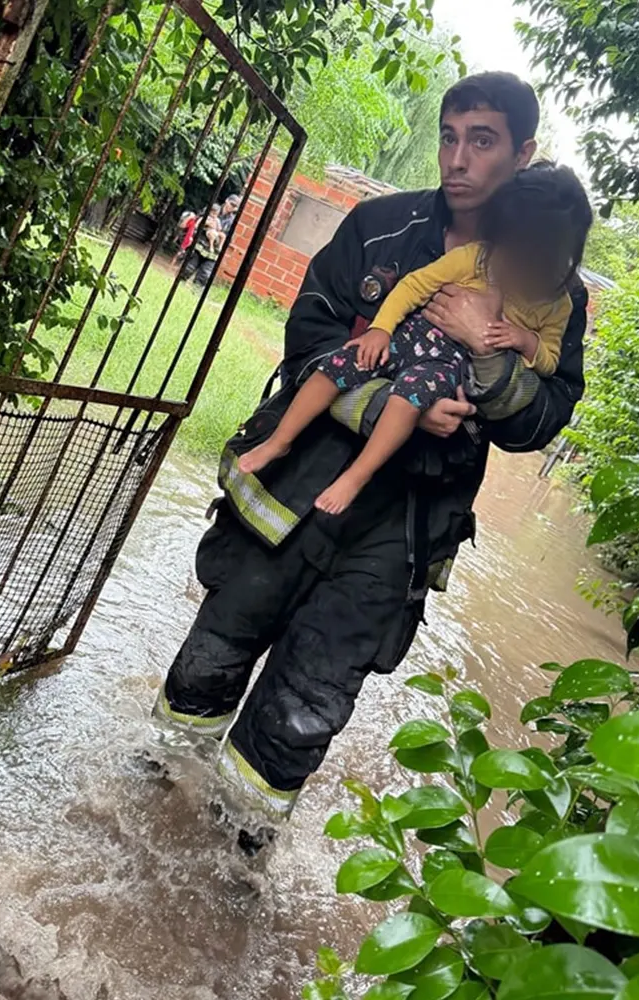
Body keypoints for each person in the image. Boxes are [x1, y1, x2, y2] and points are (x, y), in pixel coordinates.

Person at [151, 72, 590, 834]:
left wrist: (487, 353)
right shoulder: (381, 226)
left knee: (306, 705)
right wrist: (393, 405)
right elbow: (309, 335)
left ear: (523, 153)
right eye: (448, 138)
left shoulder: (556, 291)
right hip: (297, 488)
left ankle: (233, 853)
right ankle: (149, 795)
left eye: (482, 141)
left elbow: (541, 419)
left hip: (405, 529)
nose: (457, 159)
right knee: (212, 653)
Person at [239, 164, 592, 515]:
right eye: (515, 250)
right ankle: (279, 440)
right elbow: (416, 285)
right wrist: (380, 329)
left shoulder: (559, 305)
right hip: (412, 335)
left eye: (537, 259)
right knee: (339, 363)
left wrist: (524, 340)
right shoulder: (475, 258)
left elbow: (549, 361)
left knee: (408, 398)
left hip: (448, 365)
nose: (520, 266)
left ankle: (356, 476)